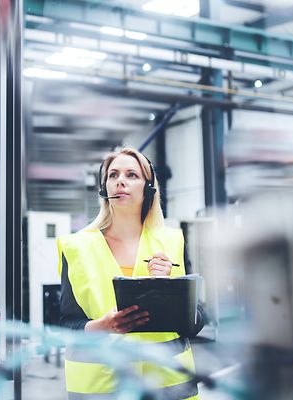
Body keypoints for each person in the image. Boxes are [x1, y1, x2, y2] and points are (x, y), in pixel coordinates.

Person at [57, 147, 203, 400]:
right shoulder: (76, 247)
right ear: (104, 189)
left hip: (167, 385)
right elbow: (66, 323)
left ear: (148, 188)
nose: (120, 181)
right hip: (101, 387)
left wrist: (172, 289)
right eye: (113, 175)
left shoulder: (172, 242)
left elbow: (198, 320)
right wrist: (99, 327)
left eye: (131, 175)